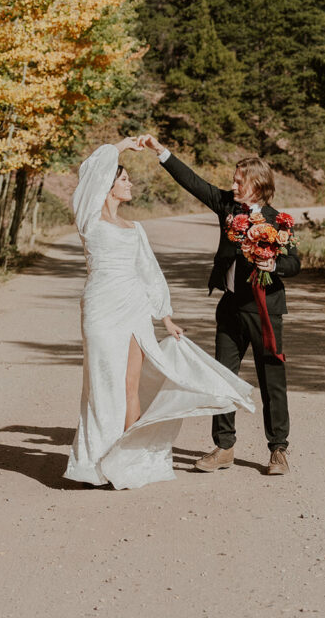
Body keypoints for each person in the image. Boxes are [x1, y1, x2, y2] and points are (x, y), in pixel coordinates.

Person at [64, 137, 255, 490]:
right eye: (124, 179)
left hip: (135, 309)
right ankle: (96, 460)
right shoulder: (89, 219)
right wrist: (122, 145)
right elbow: (91, 167)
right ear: (107, 185)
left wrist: (165, 316)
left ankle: (127, 460)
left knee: (131, 386)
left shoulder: (135, 229)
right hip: (101, 308)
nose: (130, 183)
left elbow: (149, 271)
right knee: (102, 384)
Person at [140, 134, 300, 476]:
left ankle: (278, 449)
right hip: (229, 308)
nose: (232, 184)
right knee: (221, 379)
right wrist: (161, 152)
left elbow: (295, 263)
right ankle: (224, 447)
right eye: (233, 179)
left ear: (256, 185)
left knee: (272, 379)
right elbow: (194, 183)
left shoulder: (278, 221)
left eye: (238, 180)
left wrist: (275, 266)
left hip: (265, 311)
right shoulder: (228, 207)